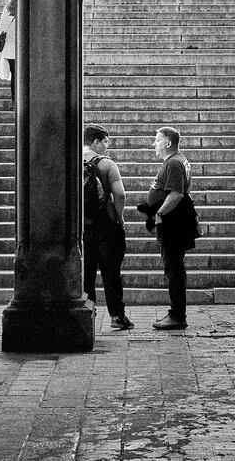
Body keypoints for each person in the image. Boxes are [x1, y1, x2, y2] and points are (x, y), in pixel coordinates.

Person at [136, 126, 196, 330]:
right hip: (174, 221)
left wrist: (159, 213)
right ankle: (176, 313)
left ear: (168, 143)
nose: (154, 144)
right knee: (174, 267)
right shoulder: (178, 161)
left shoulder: (174, 163)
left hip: (173, 223)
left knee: (174, 268)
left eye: (157, 140)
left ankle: (177, 315)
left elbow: (176, 194)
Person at [82, 125, 133, 331]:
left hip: (83, 227)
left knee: (86, 273)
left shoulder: (74, 161)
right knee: (111, 272)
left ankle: (87, 314)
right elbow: (119, 194)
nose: (107, 146)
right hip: (105, 226)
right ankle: (117, 316)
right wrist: (119, 216)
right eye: (105, 142)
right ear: (96, 142)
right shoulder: (106, 164)